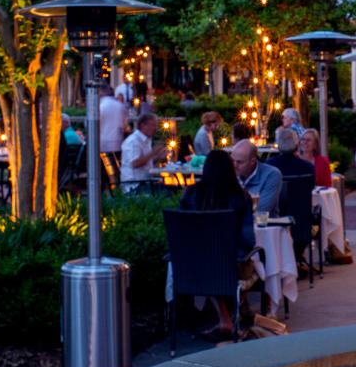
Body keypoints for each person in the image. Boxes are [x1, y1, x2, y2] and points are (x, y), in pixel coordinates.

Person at [180, 149, 258, 339]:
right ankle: (229, 317)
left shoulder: (191, 195)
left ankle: (226, 318)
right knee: (251, 264)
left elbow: (183, 232)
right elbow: (249, 239)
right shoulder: (241, 197)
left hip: (194, 268)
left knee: (211, 263)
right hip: (230, 265)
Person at [231, 140, 281, 216]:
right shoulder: (229, 174)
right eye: (232, 161)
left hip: (264, 226)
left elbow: (262, 210)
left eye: (239, 162)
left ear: (252, 161)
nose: (234, 165)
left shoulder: (271, 174)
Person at [120, 113, 167, 191]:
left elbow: (145, 162)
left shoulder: (146, 140)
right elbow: (135, 164)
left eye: (156, 125)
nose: (156, 128)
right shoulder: (133, 141)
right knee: (170, 191)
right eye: (153, 125)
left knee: (174, 188)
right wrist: (153, 153)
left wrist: (158, 157)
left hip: (146, 182)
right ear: (143, 126)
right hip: (134, 186)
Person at [99, 85, 127, 154]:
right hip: (118, 141)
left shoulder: (100, 106)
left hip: (102, 142)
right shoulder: (120, 106)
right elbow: (124, 124)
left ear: (101, 93)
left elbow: (89, 125)